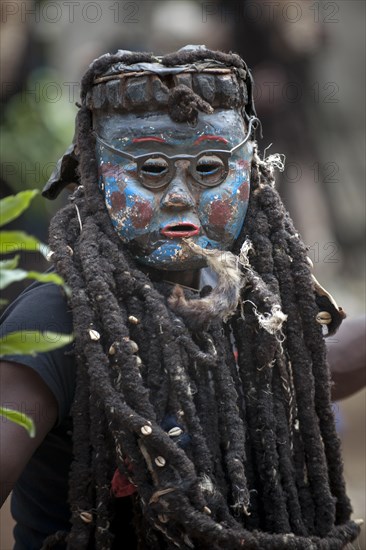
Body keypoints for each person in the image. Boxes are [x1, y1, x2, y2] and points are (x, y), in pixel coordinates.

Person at [0, 45, 361, 549]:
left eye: (210, 167)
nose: (178, 196)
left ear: (251, 174)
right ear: (96, 176)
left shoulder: (249, 296)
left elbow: (307, 371)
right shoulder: (55, 319)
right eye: (150, 169)